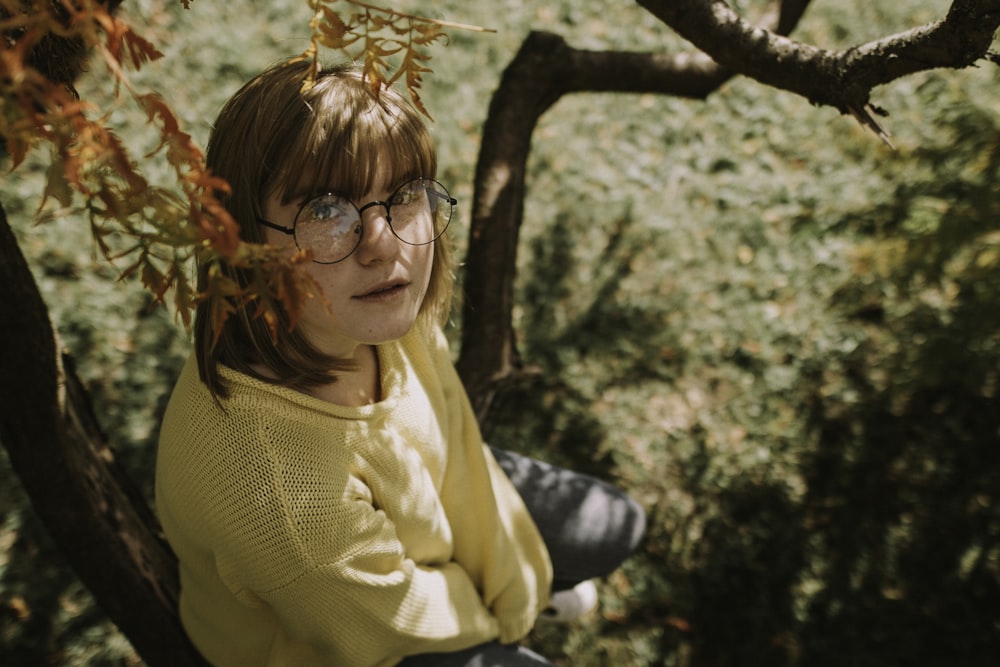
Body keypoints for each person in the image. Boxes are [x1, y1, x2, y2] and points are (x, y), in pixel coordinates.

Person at [155, 58, 646, 667]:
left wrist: (514, 576)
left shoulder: (366, 315)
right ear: (241, 242)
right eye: (327, 210)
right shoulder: (282, 497)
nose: (384, 244)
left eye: (405, 194)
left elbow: (459, 441)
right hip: (358, 642)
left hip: (423, 523)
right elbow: (398, 622)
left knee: (618, 523)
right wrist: (501, 615)